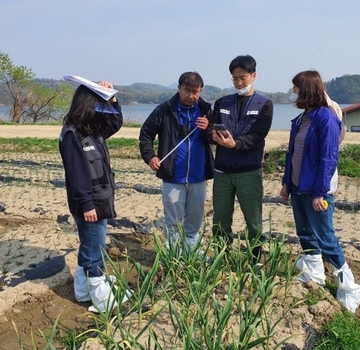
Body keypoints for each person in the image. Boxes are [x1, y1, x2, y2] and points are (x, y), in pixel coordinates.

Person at [280, 70, 360, 313]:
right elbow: (291, 154)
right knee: (304, 232)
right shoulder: (303, 118)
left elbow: (328, 157)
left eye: (296, 87)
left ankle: (349, 288)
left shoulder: (325, 117)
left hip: (316, 189)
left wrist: (319, 192)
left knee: (325, 236)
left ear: (306, 89)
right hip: (297, 186)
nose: (293, 91)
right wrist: (286, 182)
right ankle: (314, 275)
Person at [59, 80, 129, 313]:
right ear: (87, 104)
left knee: (90, 245)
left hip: (99, 199)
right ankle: (101, 299)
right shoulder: (72, 135)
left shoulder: (92, 130)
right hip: (89, 205)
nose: (101, 109)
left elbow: (115, 122)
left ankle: (82, 290)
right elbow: (77, 174)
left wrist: (112, 98)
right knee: (94, 250)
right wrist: (87, 204)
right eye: (98, 103)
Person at [208, 55, 273, 263]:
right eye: (234, 78)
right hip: (223, 171)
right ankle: (221, 257)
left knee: (253, 221)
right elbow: (209, 128)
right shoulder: (222, 102)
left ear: (254, 76)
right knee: (220, 220)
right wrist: (213, 135)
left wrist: (234, 144)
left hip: (249, 171)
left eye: (242, 78)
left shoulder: (264, 104)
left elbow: (257, 135)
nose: (238, 83)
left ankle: (254, 259)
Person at [139, 72, 214, 253]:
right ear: (179, 88)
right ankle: (172, 251)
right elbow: (146, 134)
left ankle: (192, 249)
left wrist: (209, 128)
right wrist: (151, 157)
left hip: (198, 176)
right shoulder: (164, 110)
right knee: (172, 219)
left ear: (201, 90)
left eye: (195, 92)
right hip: (172, 175)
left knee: (195, 218)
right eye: (187, 91)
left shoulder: (207, 111)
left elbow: (216, 137)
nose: (191, 96)